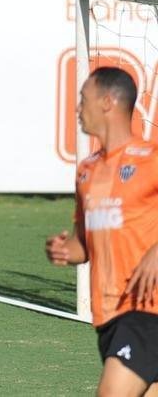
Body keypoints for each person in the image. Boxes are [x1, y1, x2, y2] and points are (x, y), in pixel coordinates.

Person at [46, 66, 158, 396]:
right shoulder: (87, 171)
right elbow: (85, 243)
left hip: (145, 309)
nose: (78, 108)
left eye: (84, 99)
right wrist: (67, 251)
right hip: (108, 314)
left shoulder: (150, 160)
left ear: (108, 102)